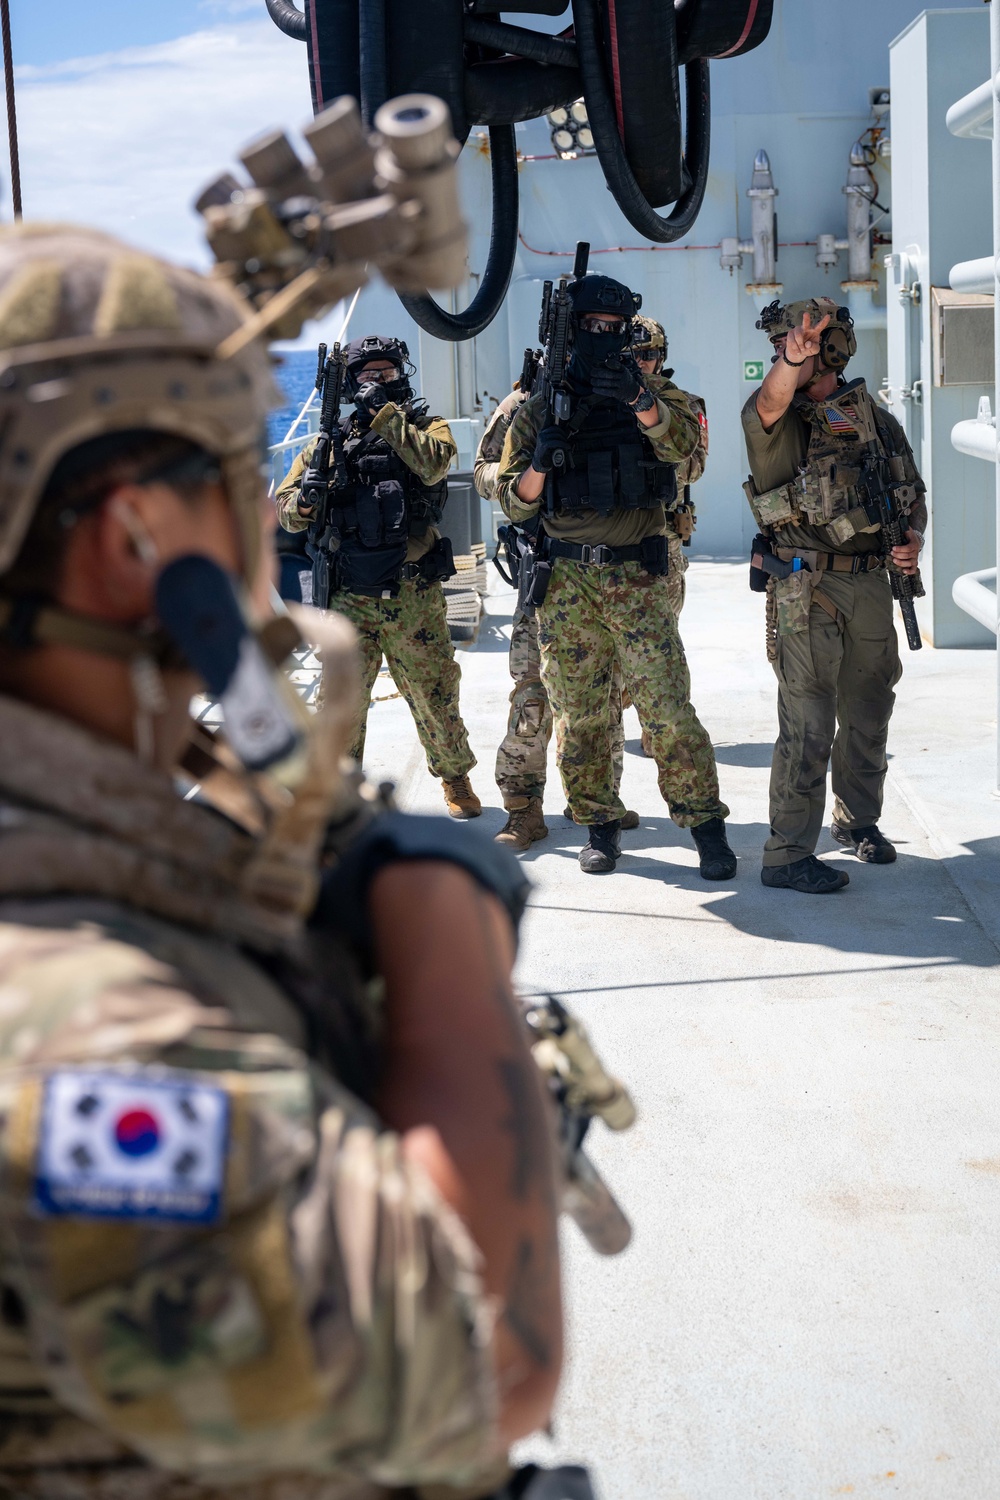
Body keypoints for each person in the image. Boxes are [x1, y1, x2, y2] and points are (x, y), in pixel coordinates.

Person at [0, 224, 563, 1497]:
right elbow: (489, 1364)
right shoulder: (82, 1042)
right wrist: (439, 913)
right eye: (230, 474)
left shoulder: (96, 831)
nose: (261, 512)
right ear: (136, 544)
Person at [495, 271, 736, 880]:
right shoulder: (541, 405)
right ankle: (599, 824)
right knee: (581, 714)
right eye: (592, 326)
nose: (603, 336)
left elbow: (688, 456)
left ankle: (705, 826)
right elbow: (514, 501)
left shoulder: (653, 394)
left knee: (666, 707)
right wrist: (542, 461)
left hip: (638, 577)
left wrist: (640, 400)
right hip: (569, 585)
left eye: (613, 327)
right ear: (574, 330)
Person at [741, 297, 926, 894]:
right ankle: (787, 853)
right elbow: (768, 401)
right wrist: (790, 363)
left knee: (870, 709)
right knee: (809, 720)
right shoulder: (778, 421)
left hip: (871, 583)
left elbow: (912, 491)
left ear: (833, 349)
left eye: (794, 345)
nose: (784, 355)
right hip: (807, 585)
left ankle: (858, 821)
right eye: (780, 347)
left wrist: (913, 538)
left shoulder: (876, 419)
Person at [276, 335, 482, 820]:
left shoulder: (425, 427)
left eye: (387, 373)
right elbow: (286, 513)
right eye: (368, 375)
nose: (378, 381)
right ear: (351, 382)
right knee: (340, 703)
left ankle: (454, 777)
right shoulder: (327, 443)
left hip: (412, 592)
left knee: (433, 692)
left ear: (401, 376)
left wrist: (385, 415)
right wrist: (304, 501)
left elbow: (433, 466)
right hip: (350, 595)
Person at [475, 381, 639, 851]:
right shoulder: (527, 403)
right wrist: (531, 468)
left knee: (606, 694)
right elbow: (484, 471)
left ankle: (597, 802)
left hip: (608, 578)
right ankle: (523, 809)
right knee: (533, 695)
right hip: (547, 573)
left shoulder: (621, 391)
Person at [629, 314, 708, 757]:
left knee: (661, 646)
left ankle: (655, 729)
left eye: (650, 354)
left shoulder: (684, 404)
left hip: (662, 543)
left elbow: (693, 467)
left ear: (661, 357)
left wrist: (651, 414)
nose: (642, 362)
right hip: (610, 538)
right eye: (634, 354)